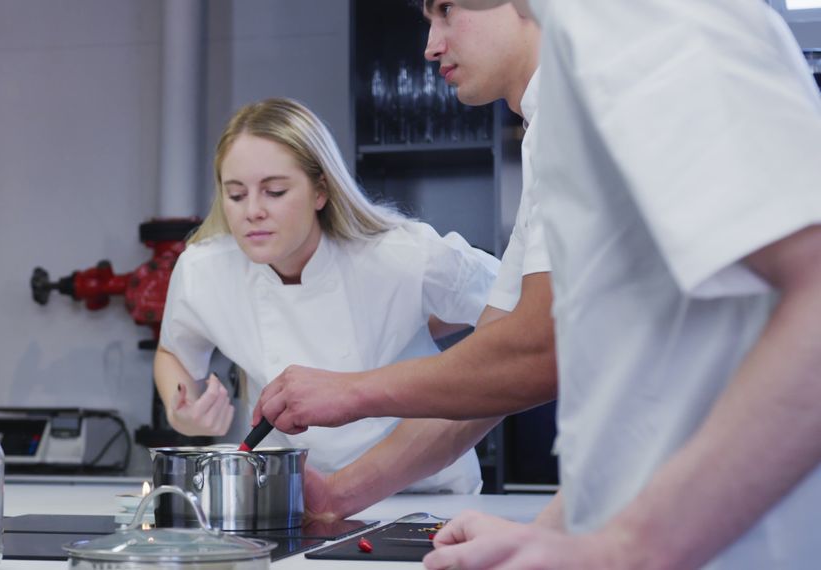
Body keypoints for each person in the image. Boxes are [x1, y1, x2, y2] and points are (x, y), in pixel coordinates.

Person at [419, 1, 821, 569]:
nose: (431, 43)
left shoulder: (633, 16)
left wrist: (629, 547)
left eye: (445, 9)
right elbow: (658, 368)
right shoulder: (579, 51)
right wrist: (560, 528)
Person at [250, 1, 560, 516]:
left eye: (447, 10)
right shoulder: (545, 130)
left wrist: (352, 393)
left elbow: (538, 348)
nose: (431, 45)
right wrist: (340, 495)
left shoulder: (572, 118)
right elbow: (491, 377)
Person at [154, 97, 501, 511]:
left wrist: (448, 345)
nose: (252, 212)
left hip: (427, 498)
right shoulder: (205, 270)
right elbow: (173, 351)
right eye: (235, 194)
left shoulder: (402, 255)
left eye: (275, 191)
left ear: (321, 190)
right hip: (299, 503)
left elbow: (524, 310)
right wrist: (184, 414)